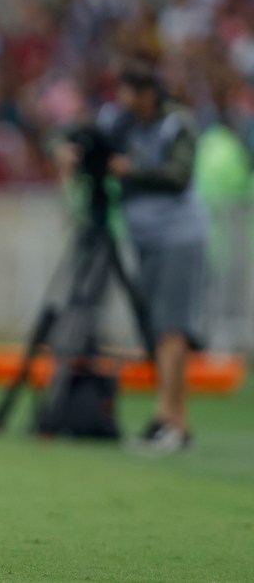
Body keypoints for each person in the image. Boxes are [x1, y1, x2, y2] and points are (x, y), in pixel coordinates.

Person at [104, 70, 208, 453]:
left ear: (147, 94)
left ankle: (170, 421)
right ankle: (173, 421)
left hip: (178, 236)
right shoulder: (122, 123)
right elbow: (82, 135)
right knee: (158, 331)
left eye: (130, 94)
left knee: (171, 330)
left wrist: (133, 171)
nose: (124, 102)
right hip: (145, 238)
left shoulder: (175, 125)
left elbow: (179, 175)